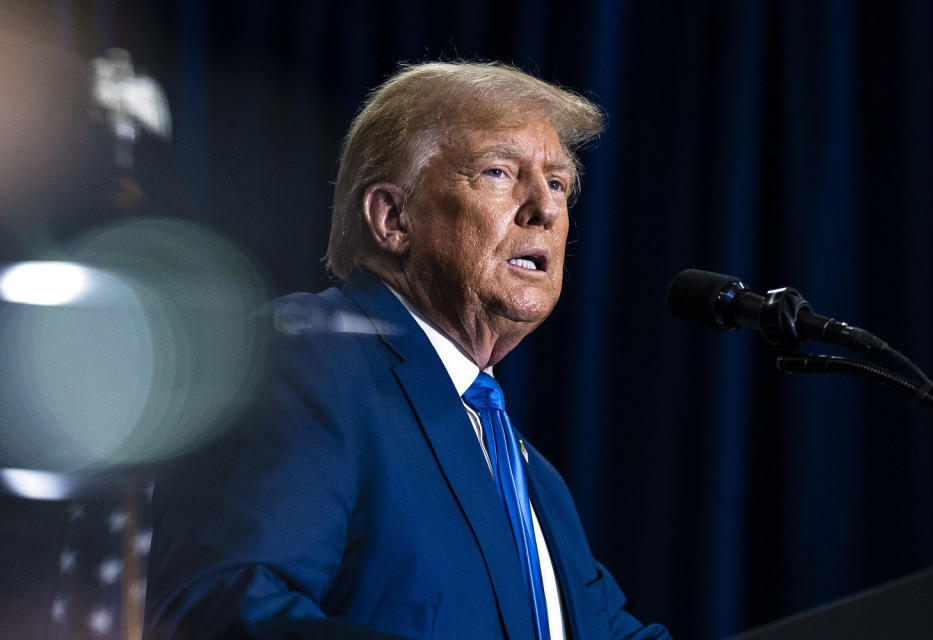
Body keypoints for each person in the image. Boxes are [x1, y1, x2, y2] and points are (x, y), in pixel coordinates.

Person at [145, 61, 671, 640]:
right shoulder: (302, 360)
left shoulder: (530, 478)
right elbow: (224, 612)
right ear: (393, 218)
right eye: (499, 172)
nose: (545, 210)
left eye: (557, 183)